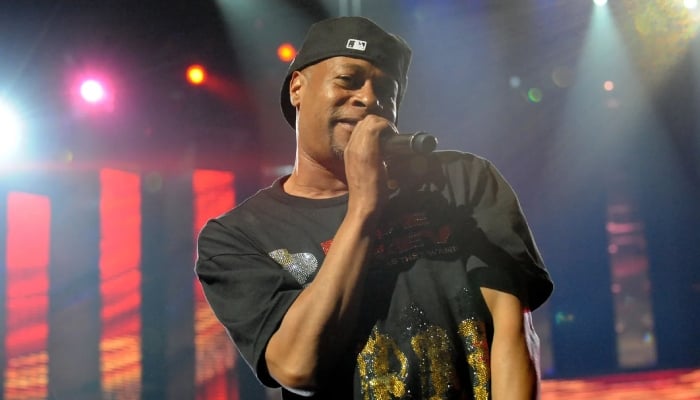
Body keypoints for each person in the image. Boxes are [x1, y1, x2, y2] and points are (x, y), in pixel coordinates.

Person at [196, 16, 553, 399]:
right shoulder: (238, 236)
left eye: (385, 90)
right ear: (297, 87)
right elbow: (297, 367)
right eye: (348, 80)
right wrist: (364, 205)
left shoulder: (461, 181)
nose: (368, 99)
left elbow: (513, 330)